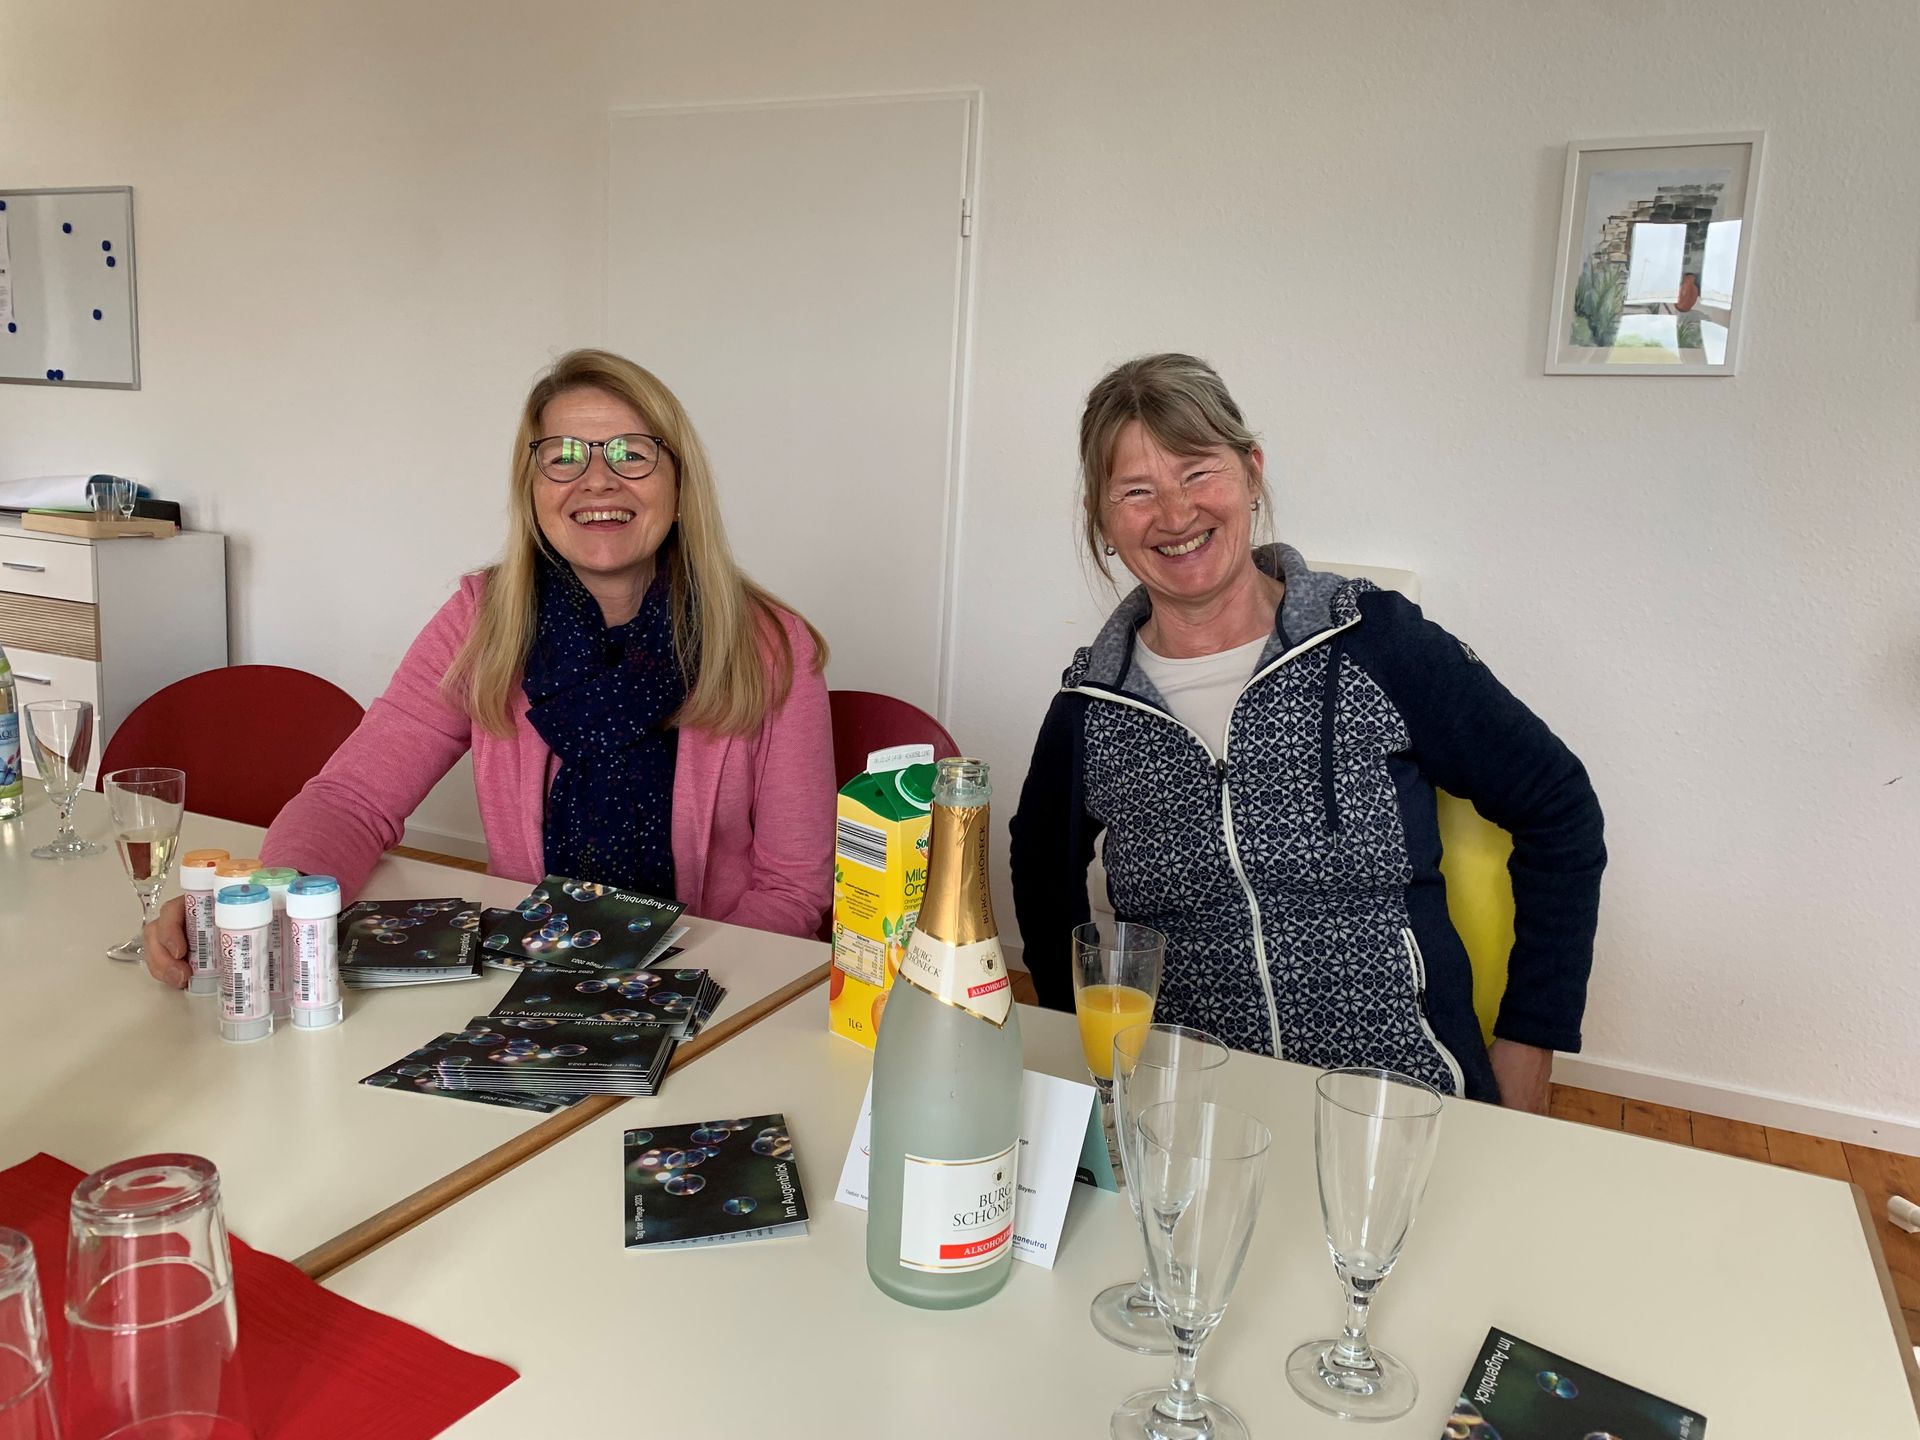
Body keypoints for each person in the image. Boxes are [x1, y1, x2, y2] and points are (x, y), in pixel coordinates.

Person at [1008, 353, 1604, 1112]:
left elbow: (1558, 804)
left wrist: (1530, 1037)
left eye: (1198, 472)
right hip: (1188, 1111)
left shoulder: (1374, 640)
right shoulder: (1093, 702)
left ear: (1251, 473)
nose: (1176, 514)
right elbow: (1039, 867)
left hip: (1404, 1104)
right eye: (1136, 492)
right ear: (1103, 520)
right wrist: (1086, 1044)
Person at [141, 349, 834, 987]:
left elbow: (792, 888)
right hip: (524, 982)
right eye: (563, 456)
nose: (597, 478)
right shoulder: (483, 621)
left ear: (680, 485)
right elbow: (353, 800)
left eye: (633, 454)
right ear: (532, 489)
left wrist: (665, 989)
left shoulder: (773, 647)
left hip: (706, 991)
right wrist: (262, 905)